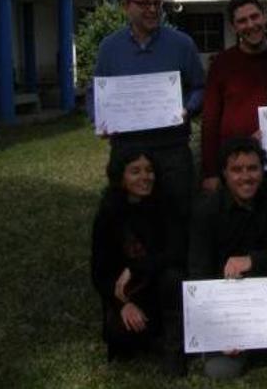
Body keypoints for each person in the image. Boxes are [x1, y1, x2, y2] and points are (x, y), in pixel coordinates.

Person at [189, 138, 267, 380]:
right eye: (237, 170)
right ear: (224, 173)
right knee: (219, 371)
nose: (246, 177)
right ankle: (253, 347)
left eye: (253, 168)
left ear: (262, 169)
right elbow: (198, 274)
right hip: (229, 301)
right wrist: (217, 331)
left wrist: (252, 260)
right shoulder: (206, 210)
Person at [87, 0, 205, 225]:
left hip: (171, 149)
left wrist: (188, 108)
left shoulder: (181, 44)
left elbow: (200, 87)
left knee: (178, 216)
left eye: (157, 4)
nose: (152, 10)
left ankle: (177, 264)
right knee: (129, 219)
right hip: (127, 150)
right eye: (144, 4)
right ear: (126, 6)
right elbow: (96, 92)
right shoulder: (110, 47)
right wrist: (99, 119)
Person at [90, 149, 186, 375]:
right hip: (128, 293)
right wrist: (122, 304)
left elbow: (177, 251)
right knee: (120, 337)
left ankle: (172, 344)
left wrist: (136, 268)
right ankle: (151, 338)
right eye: (135, 171)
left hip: (161, 285)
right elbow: (99, 272)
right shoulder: (108, 214)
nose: (145, 177)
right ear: (120, 176)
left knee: (173, 277)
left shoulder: (167, 203)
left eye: (149, 170)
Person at [201, 0, 267, 193]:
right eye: (242, 21)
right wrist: (210, 172)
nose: (251, 25)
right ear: (233, 27)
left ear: (265, 17)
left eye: (255, 17)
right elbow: (210, 121)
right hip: (235, 165)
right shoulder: (221, 64)